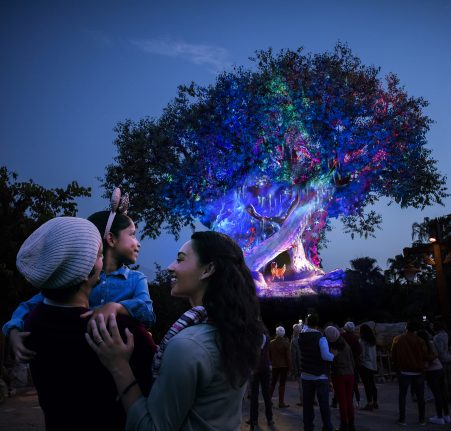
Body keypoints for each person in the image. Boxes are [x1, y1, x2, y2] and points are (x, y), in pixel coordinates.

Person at [87, 231, 262, 430]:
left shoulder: (188, 345)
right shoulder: (232, 332)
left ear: (208, 269)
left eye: (180, 260)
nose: (171, 267)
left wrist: (119, 366)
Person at [17, 217, 156, 431]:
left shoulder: (32, 323)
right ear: (87, 272)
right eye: (98, 255)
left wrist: (13, 328)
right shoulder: (119, 331)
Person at [3, 188, 156, 362]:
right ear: (111, 239)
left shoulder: (136, 279)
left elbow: (147, 313)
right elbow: (29, 305)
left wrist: (116, 307)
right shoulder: (77, 277)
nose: (138, 243)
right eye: (133, 234)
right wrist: (13, 330)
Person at [298, 313, 335, 431]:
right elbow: (325, 356)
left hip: (306, 375)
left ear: (307, 323)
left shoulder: (301, 337)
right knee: (324, 404)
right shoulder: (321, 338)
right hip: (320, 376)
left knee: (307, 405)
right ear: (317, 324)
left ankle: (308, 427)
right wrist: (333, 355)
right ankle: (327, 427)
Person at [391, 320, 429, 426]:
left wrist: (397, 368)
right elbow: (425, 355)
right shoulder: (420, 340)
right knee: (421, 396)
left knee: (402, 396)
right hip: (418, 372)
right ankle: (422, 420)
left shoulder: (397, 339)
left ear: (406, 328)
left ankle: (402, 420)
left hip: (404, 372)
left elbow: (393, 356)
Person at [416, 330, 451, 425]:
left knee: (437, 394)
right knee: (443, 392)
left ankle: (439, 417)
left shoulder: (421, 346)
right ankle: (447, 415)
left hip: (431, 372)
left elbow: (426, 360)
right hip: (439, 368)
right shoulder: (431, 343)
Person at [325, 326, 356, 431]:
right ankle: (351, 425)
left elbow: (330, 362)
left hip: (339, 376)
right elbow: (352, 360)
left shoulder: (334, 349)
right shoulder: (346, 344)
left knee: (342, 401)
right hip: (350, 374)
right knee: (349, 401)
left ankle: (344, 425)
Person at [247, 325, 274, 428]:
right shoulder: (267, 338)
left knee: (254, 396)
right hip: (265, 367)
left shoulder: (251, 340)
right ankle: (270, 419)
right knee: (266, 394)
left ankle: (253, 419)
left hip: (254, 368)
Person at [269, 325, 291, 408]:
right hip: (284, 366)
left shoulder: (271, 343)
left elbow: (269, 355)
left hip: (274, 365)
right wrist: (290, 367)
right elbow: (288, 357)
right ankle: (281, 402)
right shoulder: (286, 343)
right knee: (282, 384)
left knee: (272, 383)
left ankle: (268, 400)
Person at [341, 321, 362, 408]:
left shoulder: (341, 337)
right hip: (353, 364)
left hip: (342, 363)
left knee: (341, 382)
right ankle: (357, 401)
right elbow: (359, 351)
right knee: (354, 383)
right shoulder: (355, 338)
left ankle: (336, 402)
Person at [359, 324, 378, 411]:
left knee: (367, 385)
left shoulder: (362, 341)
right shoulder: (373, 341)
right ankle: (375, 402)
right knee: (372, 384)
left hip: (365, 365)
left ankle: (369, 403)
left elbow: (362, 353)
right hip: (372, 365)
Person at [433, 321, 451, 403]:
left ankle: (446, 397)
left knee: (444, 380)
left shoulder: (436, 337)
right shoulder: (446, 334)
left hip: (442, 360)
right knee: (449, 378)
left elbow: (440, 350)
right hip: (448, 357)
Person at [291, 323, 303, 406]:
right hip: (308, 364)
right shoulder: (306, 339)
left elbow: (293, 357)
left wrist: (294, 370)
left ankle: (303, 401)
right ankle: (313, 400)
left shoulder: (294, 341)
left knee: (301, 385)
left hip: (300, 365)